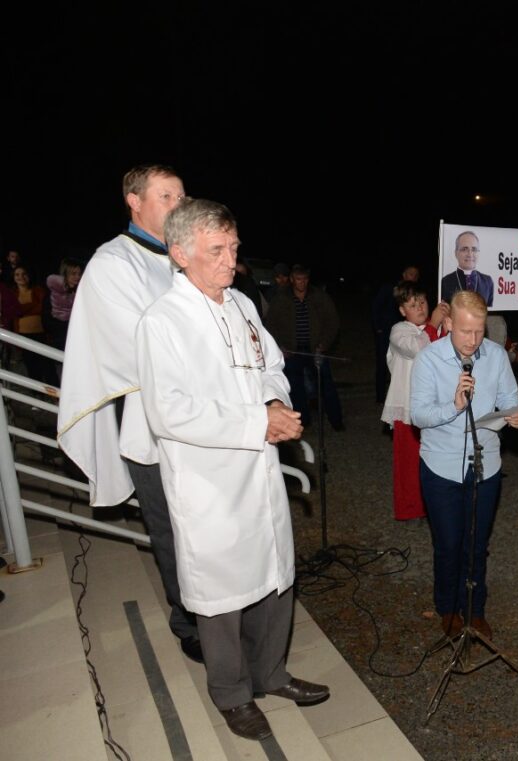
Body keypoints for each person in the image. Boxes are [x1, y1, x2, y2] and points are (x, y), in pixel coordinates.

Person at [136, 198, 328, 742]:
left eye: (234, 248)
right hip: (209, 481)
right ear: (179, 253)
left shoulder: (242, 305)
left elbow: (271, 366)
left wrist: (274, 405)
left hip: (259, 469)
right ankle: (232, 693)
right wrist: (254, 422)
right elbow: (168, 411)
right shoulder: (162, 322)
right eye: (217, 251)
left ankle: (272, 673)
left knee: (273, 573)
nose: (230, 261)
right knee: (221, 592)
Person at [56, 164, 202, 663]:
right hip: (153, 430)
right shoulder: (112, 263)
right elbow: (136, 345)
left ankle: (222, 612)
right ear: (134, 202)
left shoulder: (188, 257)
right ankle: (189, 621)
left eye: (183, 196)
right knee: (172, 529)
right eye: (167, 196)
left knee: (208, 523)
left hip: (206, 423)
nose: (180, 205)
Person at [410, 290, 518, 640]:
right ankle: (447, 608)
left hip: (486, 464)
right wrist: (454, 405)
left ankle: (474, 609)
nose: (473, 341)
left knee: (477, 543)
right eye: (465, 332)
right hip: (441, 467)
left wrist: (514, 415)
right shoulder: (428, 360)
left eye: (479, 332)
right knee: (448, 543)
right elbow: (418, 415)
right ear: (448, 324)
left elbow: (508, 398)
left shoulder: (495, 356)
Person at [381, 280, 448, 520]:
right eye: (412, 304)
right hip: (408, 408)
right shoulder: (399, 331)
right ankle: (410, 508)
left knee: (434, 459)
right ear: (402, 310)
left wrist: (448, 329)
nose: (420, 307)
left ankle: (433, 504)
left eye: (422, 302)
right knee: (409, 462)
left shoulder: (435, 329)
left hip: (435, 406)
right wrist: (434, 325)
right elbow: (420, 350)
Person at [264, 263, 345, 431]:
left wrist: (324, 343)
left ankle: (336, 421)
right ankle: (303, 421)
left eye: (305, 279)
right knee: (295, 388)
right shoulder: (281, 298)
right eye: (298, 279)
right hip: (292, 351)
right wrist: (280, 346)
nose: (302, 282)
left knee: (326, 387)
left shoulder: (319, 296)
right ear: (292, 279)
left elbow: (333, 321)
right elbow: (271, 325)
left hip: (316, 349)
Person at [372, 264, 420, 404]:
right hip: (386, 332)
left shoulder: (415, 292)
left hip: (406, 333)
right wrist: (378, 328)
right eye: (411, 274)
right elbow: (376, 306)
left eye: (416, 275)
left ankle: (399, 396)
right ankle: (380, 397)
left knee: (402, 364)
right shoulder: (390, 288)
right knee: (382, 364)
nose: (414, 277)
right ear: (404, 274)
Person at [440, 230, 494, 306]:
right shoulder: (445, 281)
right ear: (456, 253)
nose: (470, 254)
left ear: (478, 253)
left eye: (474, 249)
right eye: (464, 249)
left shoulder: (487, 281)